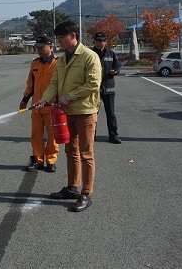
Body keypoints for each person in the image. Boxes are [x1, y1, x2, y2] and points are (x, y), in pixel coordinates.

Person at [32, 20, 102, 212]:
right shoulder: (62, 59)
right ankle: (72, 187)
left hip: (85, 112)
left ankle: (86, 193)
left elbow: (93, 84)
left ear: (73, 35)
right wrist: (44, 99)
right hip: (67, 113)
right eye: (57, 38)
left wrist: (69, 96)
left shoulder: (90, 57)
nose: (59, 42)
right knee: (70, 151)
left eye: (62, 38)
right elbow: (54, 83)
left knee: (86, 153)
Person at [19, 35, 59, 172]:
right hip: (36, 107)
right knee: (36, 134)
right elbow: (31, 84)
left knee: (52, 136)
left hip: (51, 107)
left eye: (42, 47)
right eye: (38, 48)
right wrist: (24, 100)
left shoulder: (58, 63)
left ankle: (51, 160)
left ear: (51, 47)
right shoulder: (35, 63)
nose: (39, 50)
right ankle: (38, 160)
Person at [91, 32, 122, 144]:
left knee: (111, 113)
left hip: (108, 87)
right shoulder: (90, 53)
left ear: (106, 41)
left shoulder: (111, 53)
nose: (100, 43)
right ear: (94, 41)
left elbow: (117, 64)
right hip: (94, 88)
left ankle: (113, 135)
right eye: (98, 40)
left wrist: (116, 71)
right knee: (93, 113)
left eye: (102, 40)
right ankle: (91, 135)